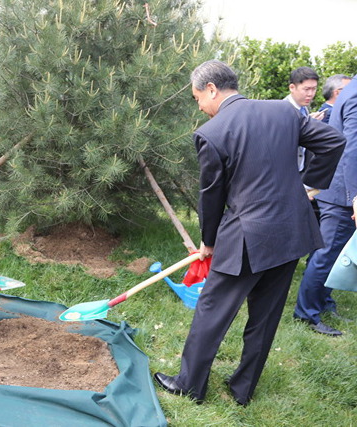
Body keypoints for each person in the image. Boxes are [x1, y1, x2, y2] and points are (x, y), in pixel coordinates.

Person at [153, 60, 345, 406]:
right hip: (292, 232)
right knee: (266, 315)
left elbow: (211, 196)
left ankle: (189, 384)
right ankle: (243, 390)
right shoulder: (283, 112)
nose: (199, 106)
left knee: (212, 309)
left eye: (198, 98)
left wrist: (207, 241)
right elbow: (333, 141)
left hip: (246, 237)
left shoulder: (212, 133)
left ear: (212, 88)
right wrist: (309, 186)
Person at [294, 75, 357, 336]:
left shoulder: (350, 88)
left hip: (340, 189)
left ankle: (322, 302)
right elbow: (353, 147)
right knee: (326, 254)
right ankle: (306, 313)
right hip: (342, 191)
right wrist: (355, 195)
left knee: (333, 253)